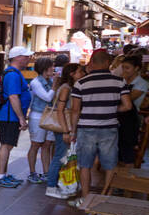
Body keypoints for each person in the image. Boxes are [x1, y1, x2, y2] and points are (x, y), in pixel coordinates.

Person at [68, 49, 133, 202]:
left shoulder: (81, 83)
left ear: (92, 63)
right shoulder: (119, 81)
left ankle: (85, 197)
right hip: (109, 127)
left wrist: (72, 131)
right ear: (107, 63)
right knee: (110, 164)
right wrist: (112, 109)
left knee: (85, 165)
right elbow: (128, 106)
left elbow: (75, 110)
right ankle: (106, 196)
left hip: (86, 127)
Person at [0, 46, 32, 188]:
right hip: (9, 116)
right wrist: (21, 118)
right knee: (6, 145)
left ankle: (3, 174)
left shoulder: (13, 73)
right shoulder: (13, 75)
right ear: (17, 58)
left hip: (10, 116)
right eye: (26, 56)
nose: (28, 59)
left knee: (8, 145)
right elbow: (13, 97)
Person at [45, 62, 84, 194]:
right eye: (80, 71)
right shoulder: (66, 88)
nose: (82, 74)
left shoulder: (70, 87)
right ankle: (51, 187)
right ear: (72, 74)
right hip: (64, 127)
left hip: (66, 127)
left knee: (63, 155)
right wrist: (66, 131)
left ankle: (57, 184)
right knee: (60, 155)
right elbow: (60, 110)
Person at [117, 53, 149, 165]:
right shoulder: (121, 81)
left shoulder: (141, 83)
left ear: (136, 68)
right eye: (123, 67)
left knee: (127, 147)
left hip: (130, 118)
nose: (124, 70)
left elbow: (128, 99)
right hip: (117, 114)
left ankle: (127, 174)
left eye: (127, 68)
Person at [26, 57, 56, 183]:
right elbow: (48, 97)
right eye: (51, 66)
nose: (53, 69)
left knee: (47, 145)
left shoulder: (50, 80)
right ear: (45, 68)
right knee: (35, 145)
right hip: (37, 117)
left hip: (49, 116)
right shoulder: (36, 82)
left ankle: (46, 172)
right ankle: (32, 172)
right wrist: (55, 86)